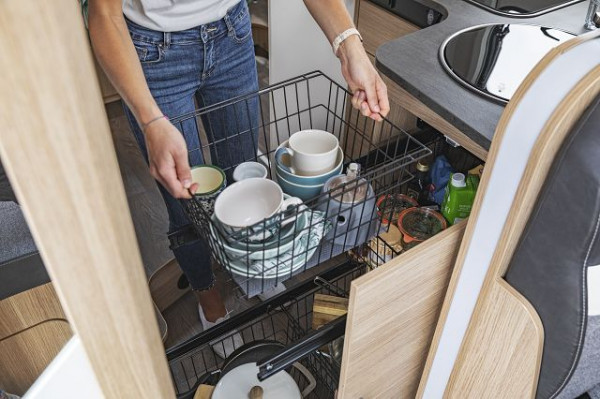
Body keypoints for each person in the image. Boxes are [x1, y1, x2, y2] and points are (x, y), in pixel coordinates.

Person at [88, 0, 390, 345]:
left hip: (231, 33)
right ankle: (210, 303)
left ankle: (257, 265)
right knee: (187, 198)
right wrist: (150, 120)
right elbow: (103, 14)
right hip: (154, 52)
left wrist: (350, 46)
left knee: (244, 176)